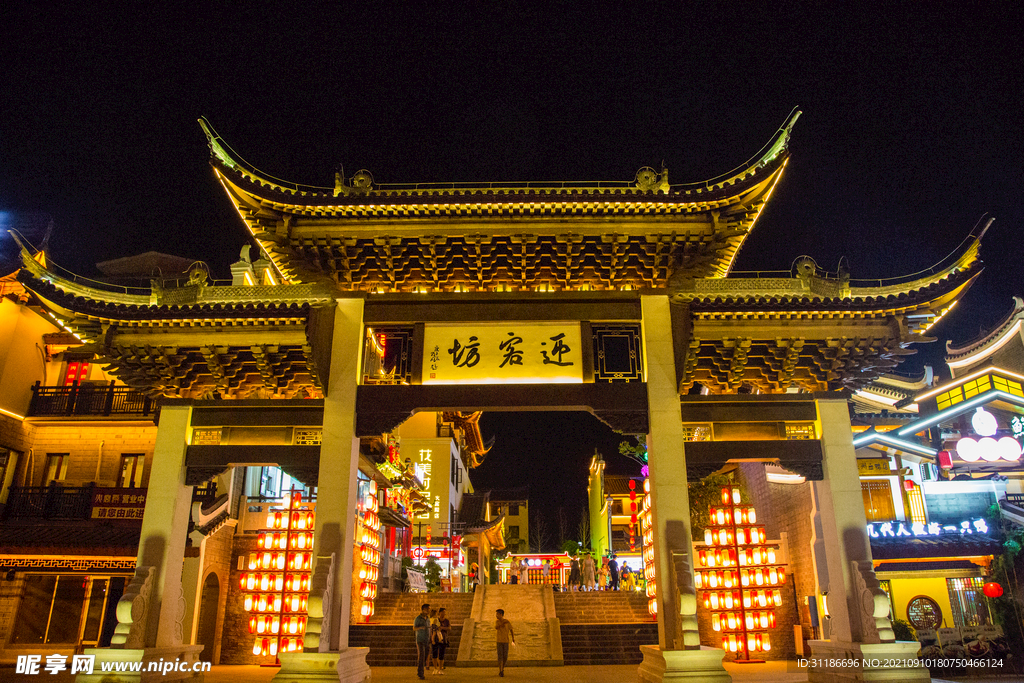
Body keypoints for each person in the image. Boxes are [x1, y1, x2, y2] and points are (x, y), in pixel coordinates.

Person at [495, 608, 515, 677]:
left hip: (506, 641)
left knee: (505, 657)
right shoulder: (497, 622)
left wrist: (513, 638)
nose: (496, 615)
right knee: (500, 656)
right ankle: (500, 670)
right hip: (499, 641)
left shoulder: (507, 622)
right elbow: (496, 627)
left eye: (497, 614)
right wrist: (502, 624)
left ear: (501, 614)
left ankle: (502, 669)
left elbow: (511, 629)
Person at [413, 603, 430, 680]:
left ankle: (420, 670)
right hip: (420, 639)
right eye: (427, 609)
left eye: (429, 609)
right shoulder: (418, 618)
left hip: (427, 639)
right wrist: (420, 628)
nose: (428, 611)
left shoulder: (428, 618)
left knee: (425, 656)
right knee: (422, 656)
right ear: (423, 610)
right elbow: (414, 628)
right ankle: (420, 673)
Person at [433, 607, 450, 674]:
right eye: (443, 612)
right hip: (436, 638)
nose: (444, 613)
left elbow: (449, 628)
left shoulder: (447, 621)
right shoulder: (436, 620)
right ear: (440, 613)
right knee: (434, 653)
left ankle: (440, 668)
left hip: (443, 639)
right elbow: (433, 629)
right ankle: (435, 668)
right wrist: (432, 638)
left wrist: (442, 628)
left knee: (441, 654)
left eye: (445, 612)